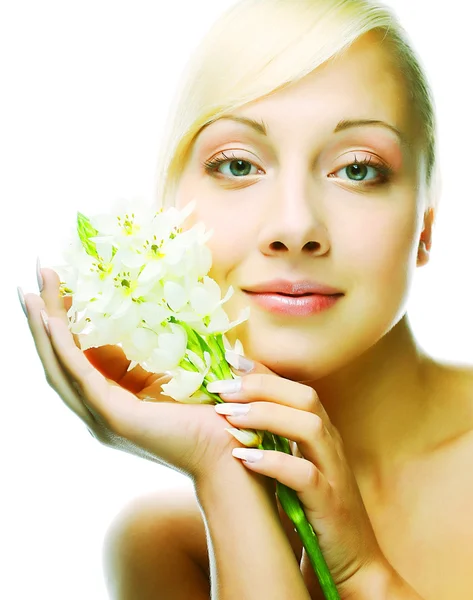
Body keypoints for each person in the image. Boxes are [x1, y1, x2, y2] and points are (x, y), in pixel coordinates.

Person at [17, 0, 473, 598]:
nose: (294, 225)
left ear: (427, 227)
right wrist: (223, 470)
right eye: (237, 164)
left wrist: (369, 578)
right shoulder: (165, 546)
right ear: (170, 216)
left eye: (358, 170)